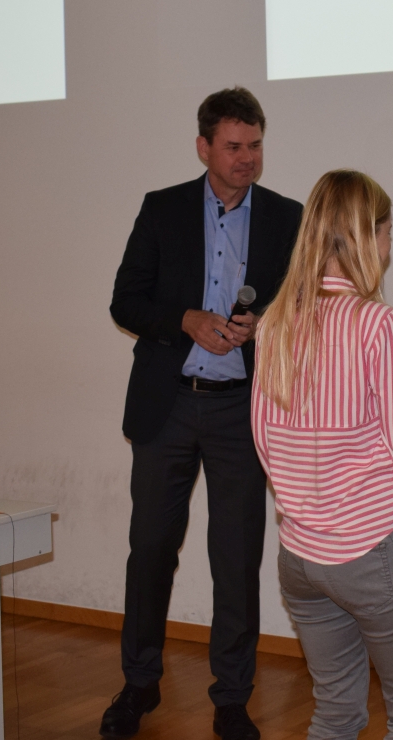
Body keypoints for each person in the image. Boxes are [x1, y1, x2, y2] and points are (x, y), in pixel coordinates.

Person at [251, 169, 393, 740]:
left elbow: (263, 439)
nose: (389, 245)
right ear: (363, 235)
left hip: (300, 556)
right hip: (374, 551)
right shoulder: (379, 323)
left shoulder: (275, 322)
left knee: (335, 713)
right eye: (387, 231)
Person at [102, 87, 304, 740]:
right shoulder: (162, 209)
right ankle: (139, 684)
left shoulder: (287, 217)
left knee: (236, 559)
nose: (247, 158)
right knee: (151, 550)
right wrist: (186, 319)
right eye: (234, 146)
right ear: (204, 148)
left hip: (241, 410)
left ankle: (232, 698)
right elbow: (125, 301)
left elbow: (305, 309)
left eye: (256, 146)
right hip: (168, 405)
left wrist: (264, 325)